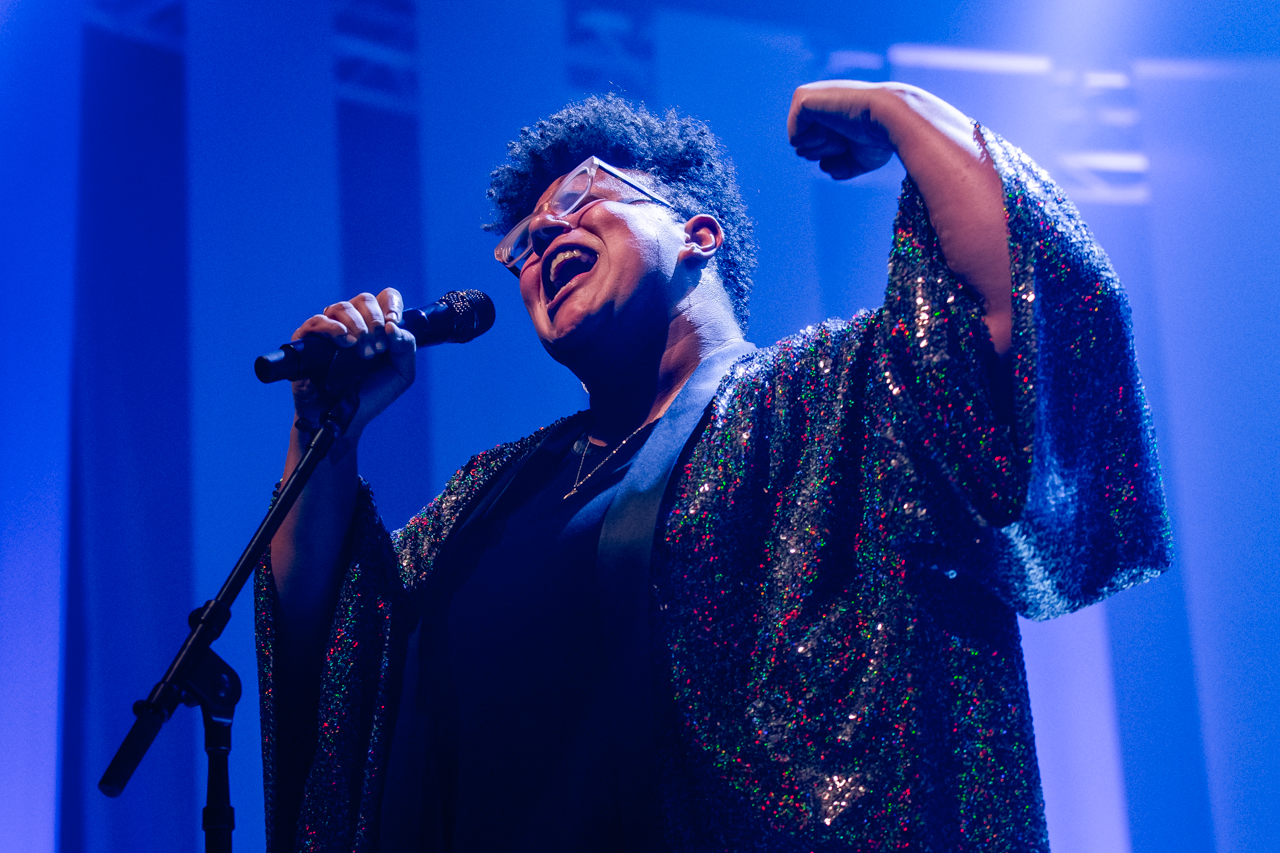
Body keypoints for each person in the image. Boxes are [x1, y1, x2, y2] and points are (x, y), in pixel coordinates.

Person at [257, 81, 1170, 852]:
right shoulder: (490, 493)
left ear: (699, 234)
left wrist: (901, 113)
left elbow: (1019, 327)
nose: (543, 238)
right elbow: (331, 651)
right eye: (524, 245)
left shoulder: (824, 397)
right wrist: (325, 428)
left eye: (581, 199)